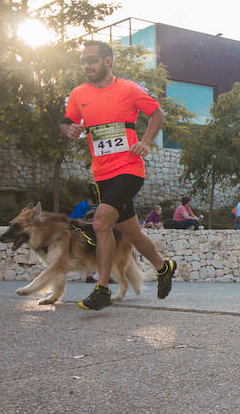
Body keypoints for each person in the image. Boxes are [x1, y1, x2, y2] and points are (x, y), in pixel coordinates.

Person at [60, 40, 176, 310]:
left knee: (101, 222)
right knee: (132, 233)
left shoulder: (128, 89)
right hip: (102, 174)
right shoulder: (78, 94)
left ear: (108, 61)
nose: (87, 65)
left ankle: (102, 289)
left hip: (129, 168)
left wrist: (145, 142)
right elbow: (66, 122)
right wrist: (68, 130)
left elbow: (157, 114)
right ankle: (163, 267)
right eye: (84, 61)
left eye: (93, 60)